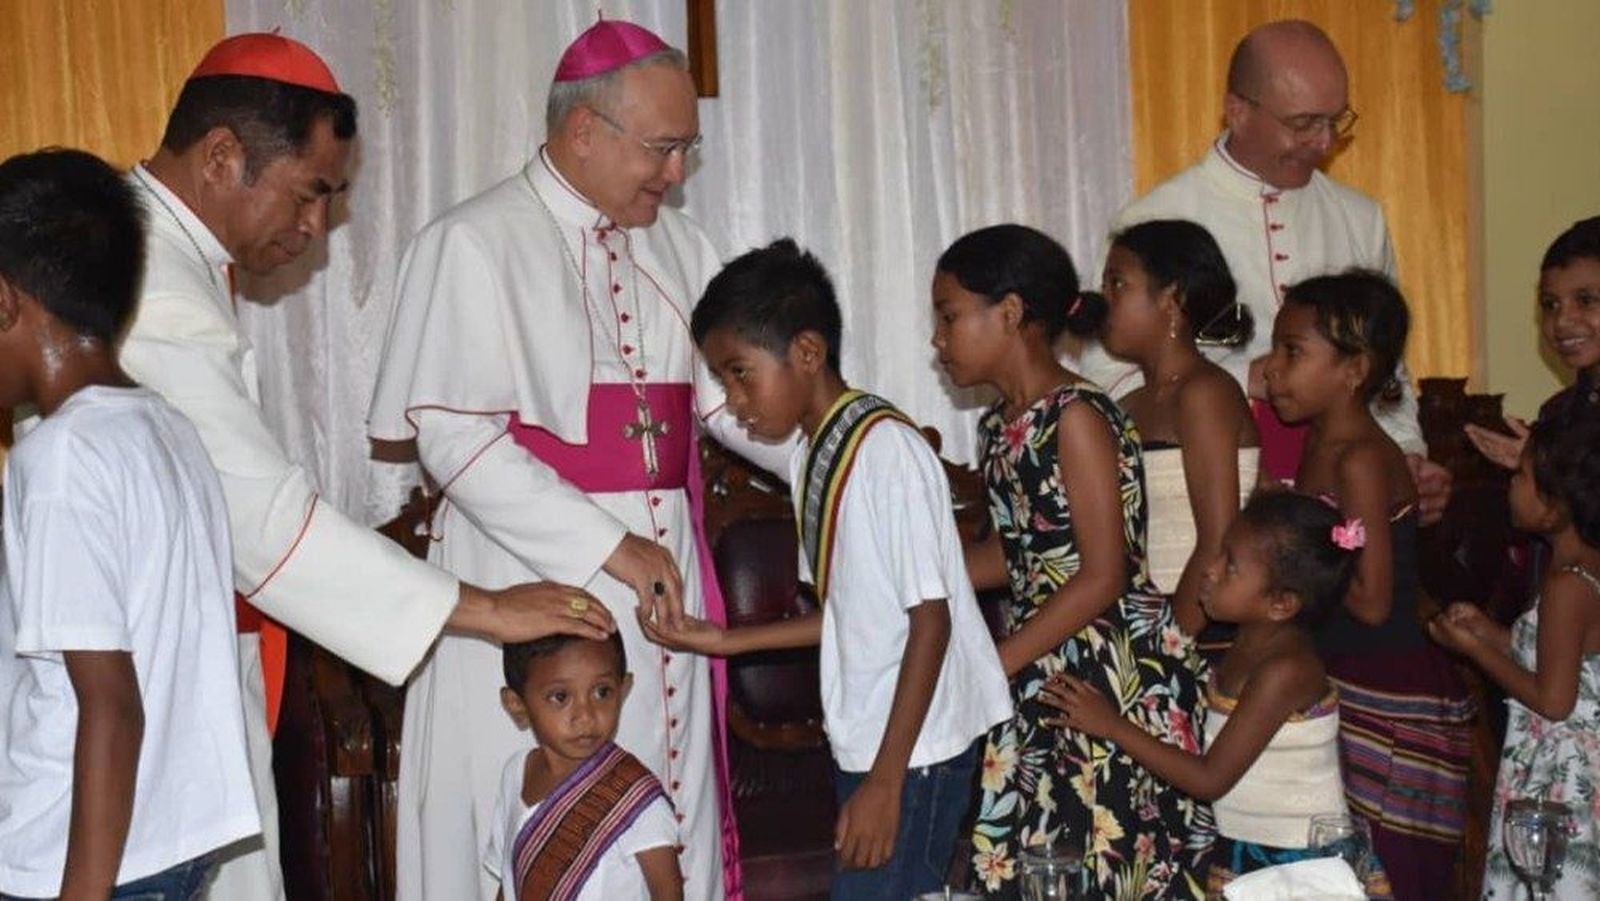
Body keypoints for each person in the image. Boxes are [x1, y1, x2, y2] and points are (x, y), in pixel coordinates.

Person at [119, 33, 610, 898]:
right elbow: (262, 521)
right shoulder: (147, 282)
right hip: (143, 679)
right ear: (223, 156)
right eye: (312, 194)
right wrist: (485, 608)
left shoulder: (157, 254)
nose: (314, 230)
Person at [368, 19, 788, 899]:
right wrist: (613, 546)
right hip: (521, 582)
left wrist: (849, 453)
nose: (677, 176)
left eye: (688, 151)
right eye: (664, 149)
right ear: (585, 131)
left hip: (663, 613)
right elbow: (455, 437)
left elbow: (737, 408)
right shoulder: (471, 242)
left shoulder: (683, 248)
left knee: (670, 832)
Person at [642, 239, 1012, 898]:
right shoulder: (817, 450)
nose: (735, 399)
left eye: (740, 373)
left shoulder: (885, 451)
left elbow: (932, 621)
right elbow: (850, 615)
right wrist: (727, 640)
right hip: (874, 742)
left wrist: (886, 781)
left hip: (915, 753)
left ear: (807, 353)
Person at [0, 149, 257, 898]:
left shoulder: (60, 457)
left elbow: (110, 702)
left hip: (74, 860)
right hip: (165, 841)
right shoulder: (165, 428)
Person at [932, 224, 1212, 898]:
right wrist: (917, 578)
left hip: (1107, 670)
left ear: (1009, 312)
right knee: (1040, 857)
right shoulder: (1002, 424)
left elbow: (1103, 571)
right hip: (1046, 660)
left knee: (1108, 860)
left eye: (948, 317)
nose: (938, 340)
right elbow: (1017, 553)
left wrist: (994, 662)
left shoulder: (1078, 415)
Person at [1081, 19, 1451, 519]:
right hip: (1213, 498)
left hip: (1345, 491)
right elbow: (1106, 378)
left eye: (1335, 121)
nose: (1323, 142)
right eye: (1302, 124)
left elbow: (1386, 369)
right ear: (1237, 111)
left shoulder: (1361, 218)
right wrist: (1243, 378)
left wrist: (1407, 454)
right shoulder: (1153, 222)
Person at [1042, 491, 1393, 897]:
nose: (1209, 570)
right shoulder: (1245, 645)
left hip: (1297, 863)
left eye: (1230, 567)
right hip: (1247, 850)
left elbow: (1210, 779)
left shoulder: (1287, 670)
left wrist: (1112, 726)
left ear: (1280, 604)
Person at [1261, 270, 1472, 900]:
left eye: (1293, 352)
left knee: (1386, 877)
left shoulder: (1357, 458)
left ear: (1354, 369)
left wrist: (1288, 546)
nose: (1272, 370)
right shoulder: (1323, 440)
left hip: (1385, 688)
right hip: (1344, 673)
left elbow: (1374, 601)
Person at [1431, 415, 1600, 900]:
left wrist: (1475, 650)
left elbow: (1553, 699)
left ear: (1555, 505)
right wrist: (1490, 632)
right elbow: (1561, 658)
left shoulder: (1567, 584)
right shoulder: (1584, 566)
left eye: (1521, 475)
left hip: (1559, 778)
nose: (1511, 484)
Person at [1096, 219, 1260, 644]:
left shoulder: (1204, 393)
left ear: (1172, 298)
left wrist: (1168, 652)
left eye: (1118, 284)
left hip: (1201, 630)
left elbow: (1217, 539)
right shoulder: (1128, 403)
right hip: (1144, 622)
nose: (1104, 300)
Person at [485, 632, 681, 900]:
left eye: (602, 692)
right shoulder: (516, 774)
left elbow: (668, 892)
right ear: (516, 704)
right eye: (560, 697)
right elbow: (511, 879)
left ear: (622, 690)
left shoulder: (635, 797)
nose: (586, 716)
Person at [1465, 216, 1600, 469]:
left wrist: (1553, 469)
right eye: (1550, 304)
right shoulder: (1557, 414)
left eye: (1586, 300)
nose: (1561, 320)